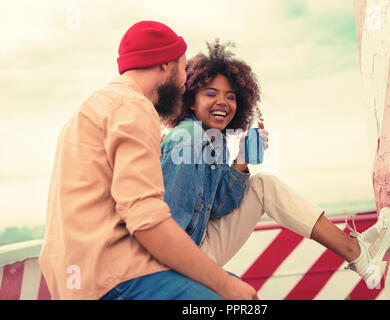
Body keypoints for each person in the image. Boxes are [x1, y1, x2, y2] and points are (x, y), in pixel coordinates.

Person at [158, 40, 390, 296]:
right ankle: (356, 251)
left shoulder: (214, 143)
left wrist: (241, 159)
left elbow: (216, 209)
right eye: (211, 93)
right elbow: (168, 226)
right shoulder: (189, 138)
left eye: (231, 96)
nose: (223, 102)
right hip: (176, 262)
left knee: (262, 185)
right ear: (190, 101)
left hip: (195, 247)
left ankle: (358, 251)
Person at [40, 21, 256, 300]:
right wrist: (225, 286)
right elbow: (147, 220)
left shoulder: (92, 109)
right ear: (166, 64)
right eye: (182, 67)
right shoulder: (133, 107)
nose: (183, 83)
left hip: (75, 278)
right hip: (114, 278)